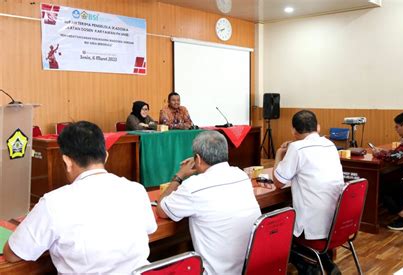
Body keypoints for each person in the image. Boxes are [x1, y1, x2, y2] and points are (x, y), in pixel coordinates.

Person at [3, 121, 157, 273]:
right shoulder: (136, 190)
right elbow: (150, 229)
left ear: (67, 161)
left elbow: (13, 253)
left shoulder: (53, 203)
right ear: (106, 157)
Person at [156, 131, 261, 275]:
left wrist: (180, 175)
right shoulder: (241, 175)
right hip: (251, 267)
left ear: (197, 159)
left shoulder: (194, 186)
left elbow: (162, 209)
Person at [272, 110, 344, 275]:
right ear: (318, 127)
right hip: (335, 222)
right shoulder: (330, 144)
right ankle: (327, 264)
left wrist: (279, 154)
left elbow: (278, 182)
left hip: (312, 226)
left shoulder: (297, 148)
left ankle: (309, 269)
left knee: (279, 232)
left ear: (293, 131)